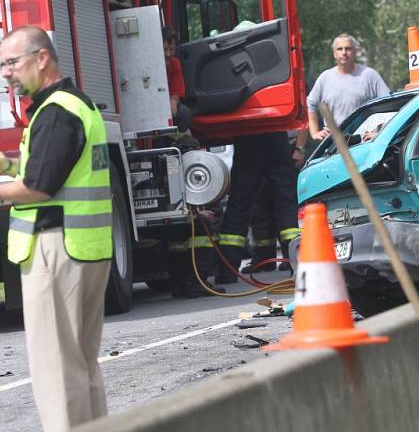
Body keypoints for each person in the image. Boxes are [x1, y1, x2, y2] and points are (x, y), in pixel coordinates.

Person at [0, 26, 112, 431]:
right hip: (81, 248)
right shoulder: (76, 104)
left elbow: (39, 188)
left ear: (42, 58)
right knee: (80, 365)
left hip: (55, 250)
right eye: (1, 64)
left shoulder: (56, 111)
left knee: (57, 370)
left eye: (11, 63)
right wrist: (8, 169)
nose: (5, 73)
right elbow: (56, 175)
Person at [214, 130, 304, 284]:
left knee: (239, 206)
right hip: (275, 136)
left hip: (248, 135)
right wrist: (299, 148)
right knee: (286, 205)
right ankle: (298, 267)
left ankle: (227, 272)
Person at [307, 34, 390, 140]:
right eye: (339, 49)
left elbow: (388, 105)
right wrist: (315, 132)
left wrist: (379, 132)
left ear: (355, 52)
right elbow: (310, 104)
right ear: (334, 54)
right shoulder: (325, 77)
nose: (344, 52)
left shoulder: (369, 75)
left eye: (348, 49)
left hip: (362, 141)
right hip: (333, 143)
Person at [162, 27, 193, 132]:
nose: (168, 54)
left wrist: (173, 101)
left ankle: (175, 140)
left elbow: (177, 89)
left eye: (171, 49)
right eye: (165, 49)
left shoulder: (175, 63)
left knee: (185, 113)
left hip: (168, 105)